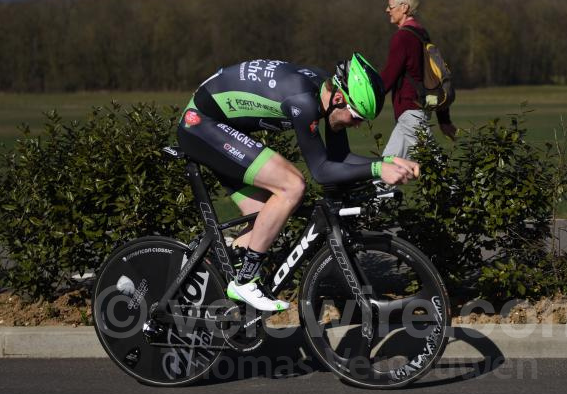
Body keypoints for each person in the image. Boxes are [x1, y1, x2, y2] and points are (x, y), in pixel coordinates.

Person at [177, 54, 420, 312]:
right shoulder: (303, 101)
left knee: (265, 218)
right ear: (339, 99)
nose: (358, 126)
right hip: (201, 124)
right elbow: (321, 171)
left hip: (218, 125)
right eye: (357, 117)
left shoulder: (324, 93)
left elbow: (339, 158)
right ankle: (246, 280)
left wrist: (389, 161)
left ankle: (213, 283)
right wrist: (377, 168)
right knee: (292, 185)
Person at [380, 0, 457, 159]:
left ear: (404, 7)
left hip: (410, 111)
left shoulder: (402, 37)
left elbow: (388, 78)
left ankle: (457, 188)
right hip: (415, 110)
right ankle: (382, 186)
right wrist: (444, 119)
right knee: (387, 167)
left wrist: (359, 106)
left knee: (436, 168)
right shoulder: (421, 33)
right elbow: (435, 78)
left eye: (390, 7)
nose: (387, 10)